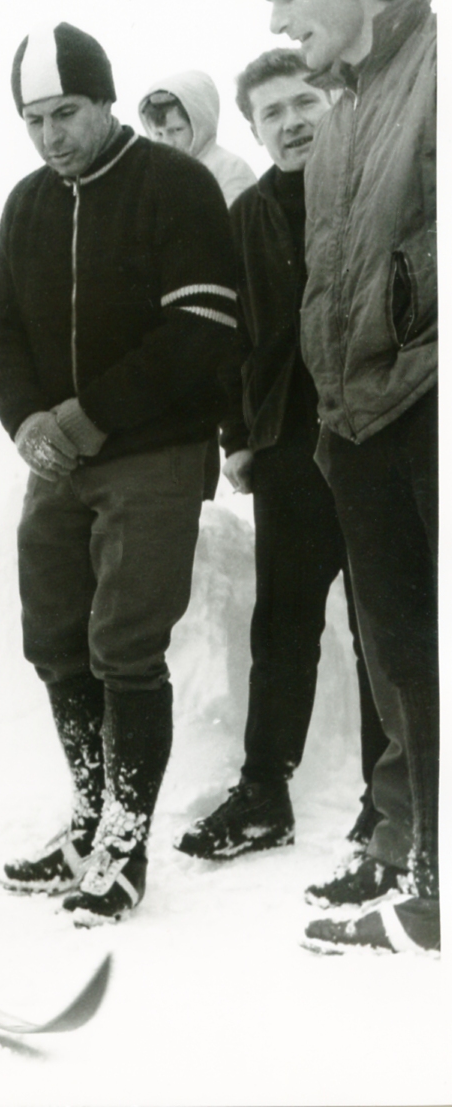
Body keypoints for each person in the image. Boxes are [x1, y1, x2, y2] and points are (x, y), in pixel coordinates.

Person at [0, 22, 238, 924]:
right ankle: (88, 818)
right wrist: (24, 423)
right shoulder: (27, 203)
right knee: (53, 637)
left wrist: (88, 416)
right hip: (60, 462)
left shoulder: (174, 184)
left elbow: (203, 326)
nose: (51, 136)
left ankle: (124, 843)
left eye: (66, 113)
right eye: (34, 119)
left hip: (153, 453)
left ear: (104, 100)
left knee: (125, 644)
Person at [262, 0, 437, 954]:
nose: (279, 18)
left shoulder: (436, 70)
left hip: (426, 404)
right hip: (358, 420)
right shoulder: (339, 111)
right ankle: (411, 852)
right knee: (399, 655)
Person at [174, 48, 394, 870]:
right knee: (284, 624)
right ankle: (264, 791)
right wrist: (238, 438)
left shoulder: (378, 184)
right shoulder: (248, 216)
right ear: (254, 130)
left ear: (331, 100)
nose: (292, 121)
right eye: (272, 113)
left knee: (385, 622)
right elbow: (230, 342)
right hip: (289, 448)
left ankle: (388, 802)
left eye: (304, 101)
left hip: (379, 437)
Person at [138, 71, 256, 206]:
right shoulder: (153, 176)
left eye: (176, 130)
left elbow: (237, 224)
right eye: (158, 134)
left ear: (199, 125)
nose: (167, 143)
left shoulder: (230, 169)